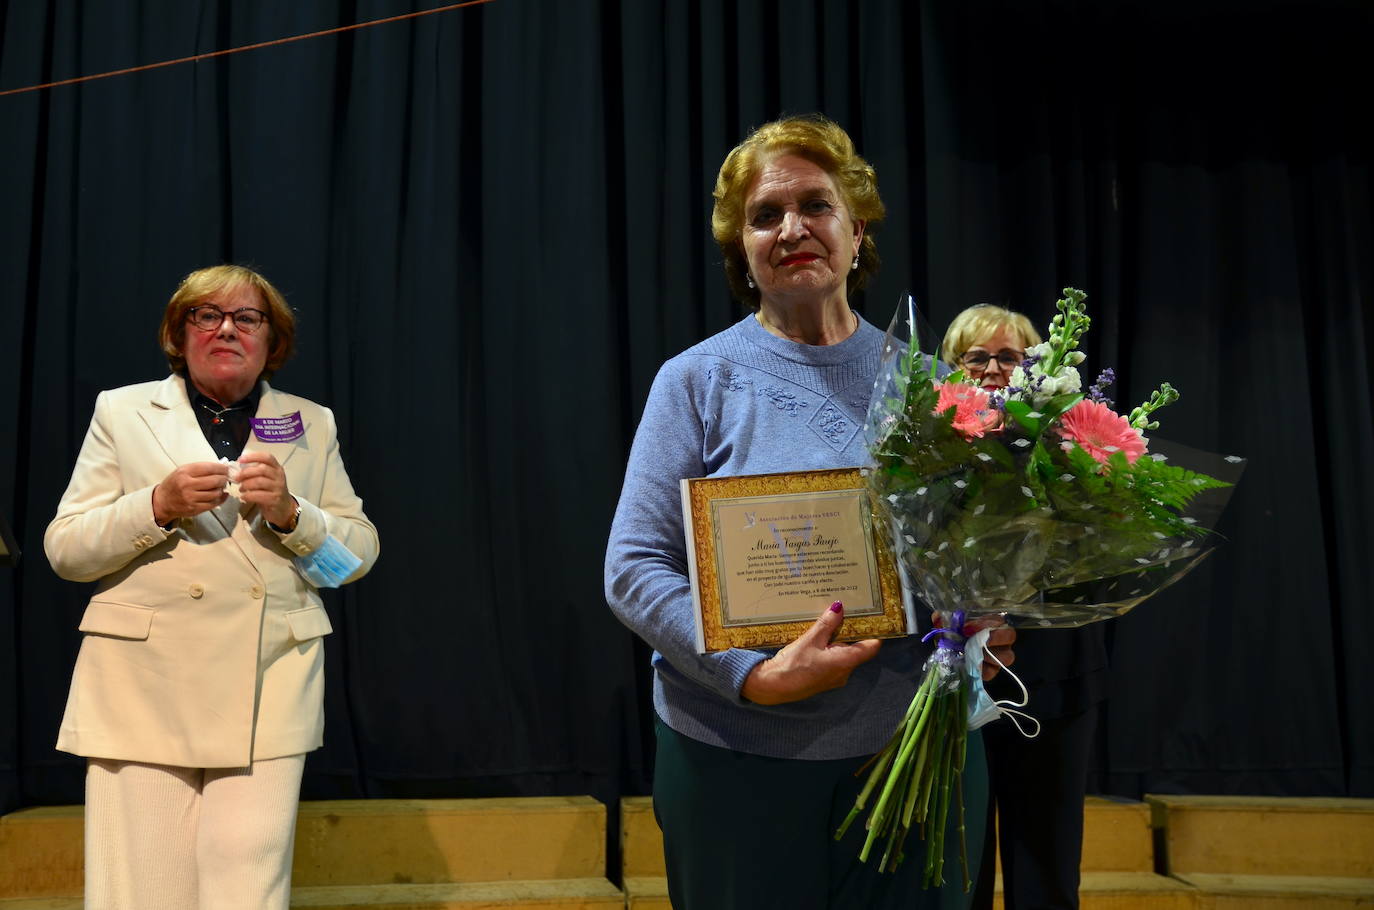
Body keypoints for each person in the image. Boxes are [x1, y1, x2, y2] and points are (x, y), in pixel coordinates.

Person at [605, 115, 1015, 910]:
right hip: (734, 758)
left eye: (816, 205)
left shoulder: (932, 386)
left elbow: (970, 553)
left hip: (914, 750)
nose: (792, 228)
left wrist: (995, 601)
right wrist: (750, 677)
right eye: (765, 215)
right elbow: (633, 569)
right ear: (743, 251)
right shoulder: (694, 380)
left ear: (856, 231)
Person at [44, 264, 380, 910]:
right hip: (139, 688)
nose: (226, 328)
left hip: (269, 686)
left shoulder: (311, 424)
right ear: (181, 332)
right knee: (141, 893)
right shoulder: (122, 412)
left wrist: (293, 515)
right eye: (207, 315)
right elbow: (65, 548)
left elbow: (354, 558)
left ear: (270, 341)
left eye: (246, 318)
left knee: (245, 892)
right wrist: (155, 506)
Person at [941, 304, 1109, 910]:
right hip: (957, 676)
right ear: (952, 366)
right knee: (960, 867)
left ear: (1037, 366)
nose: (992, 368)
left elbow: (1107, 548)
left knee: (1047, 865)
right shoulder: (926, 447)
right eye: (976, 357)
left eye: (1009, 356)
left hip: (1056, 675)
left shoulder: (1079, 442)